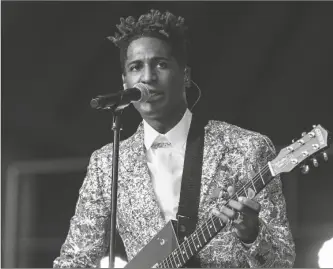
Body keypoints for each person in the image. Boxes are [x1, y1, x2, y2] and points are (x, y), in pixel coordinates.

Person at [53, 9, 296, 268]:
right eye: (136, 67)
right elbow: (75, 259)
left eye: (161, 64)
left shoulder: (246, 148)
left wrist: (252, 236)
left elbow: (282, 260)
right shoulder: (106, 163)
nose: (147, 77)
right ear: (125, 83)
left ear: (186, 75)